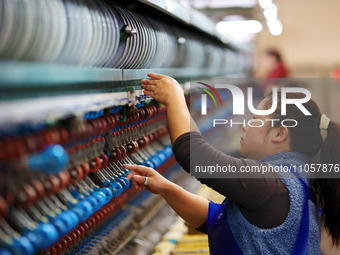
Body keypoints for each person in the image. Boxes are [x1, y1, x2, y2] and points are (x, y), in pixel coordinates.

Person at [123, 73, 340, 254]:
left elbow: (194, 155)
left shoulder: (269, 181)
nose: (246, 125)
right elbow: (219, 221)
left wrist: (175, 98)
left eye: (255, 119)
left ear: (279, 133)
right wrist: (167, 189)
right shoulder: (297, 177)